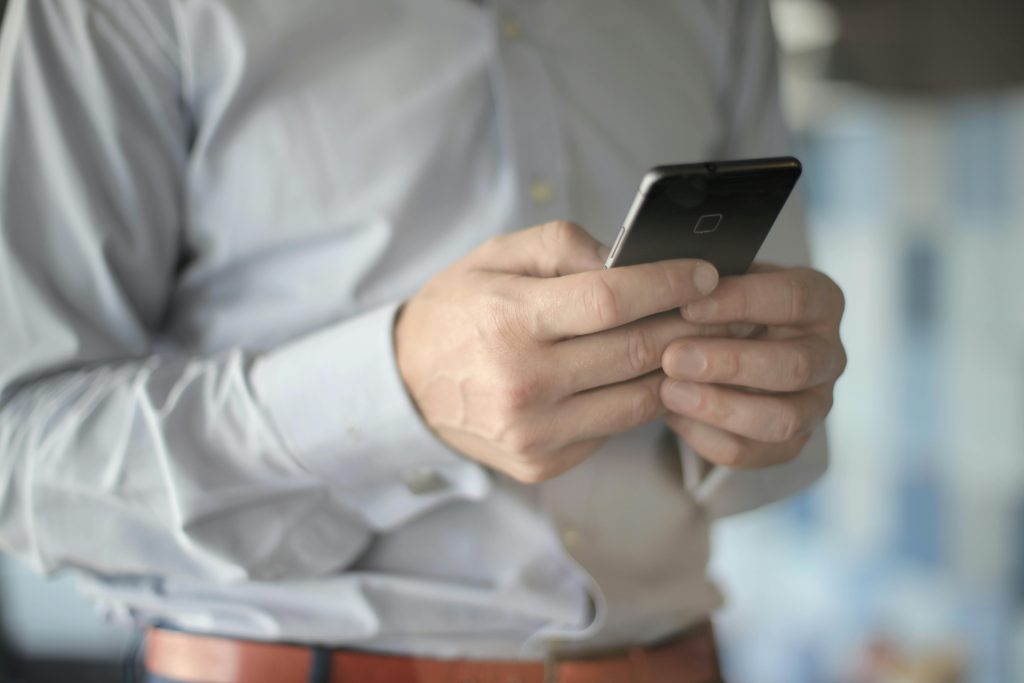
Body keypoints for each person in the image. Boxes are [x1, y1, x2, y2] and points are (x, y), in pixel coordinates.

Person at [0, 1, 846, 682]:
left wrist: (765, 402)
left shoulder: (720, 11)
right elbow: (20, 449)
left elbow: (782, 436)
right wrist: (389, 390)